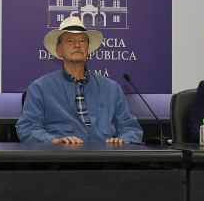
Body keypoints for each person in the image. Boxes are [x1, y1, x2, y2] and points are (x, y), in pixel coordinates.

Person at [16, 15, 142, 145]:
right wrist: (54, 141)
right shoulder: (40, 88)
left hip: (105, 160)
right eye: (70, 41)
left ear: (88, 49)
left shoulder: (111, 88)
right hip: (61, 160)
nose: (77, 44)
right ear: (59, 50)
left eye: (82, 41)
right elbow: (27, 127)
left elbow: (131, 128)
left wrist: (122, 141)